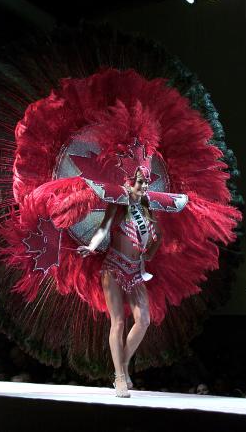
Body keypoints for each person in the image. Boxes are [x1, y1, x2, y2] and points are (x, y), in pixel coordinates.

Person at [77, 167, 162, 397]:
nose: (144, 187)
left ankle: (122, 365)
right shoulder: (118, 205)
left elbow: (158, 237)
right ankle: (119, 377)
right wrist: (92, 246)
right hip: (114, 267)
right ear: (128, 184)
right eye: (140, 183)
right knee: (118, 322)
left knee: (143, 320)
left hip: (136, 270)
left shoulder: (147, 210)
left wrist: (150, 254)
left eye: (146, 183)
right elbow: (104, 227)